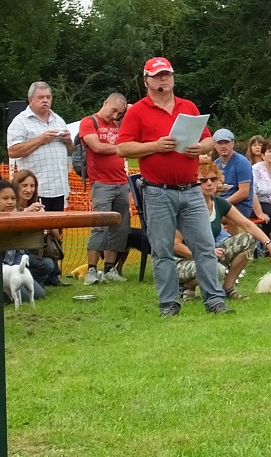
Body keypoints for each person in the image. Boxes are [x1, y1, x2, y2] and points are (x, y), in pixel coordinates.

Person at [116, 56, 232, 317]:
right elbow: (122, 147)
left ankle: (215, 300)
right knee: (162, 250)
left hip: (191, 189)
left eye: (166, 74)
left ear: (172, 77)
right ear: (146, 80)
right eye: (157, 76)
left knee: (203, 246)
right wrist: (154, 146)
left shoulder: (188, 106)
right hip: (157, 191)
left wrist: (201, 148)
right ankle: (169, 304)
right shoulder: (137, 111)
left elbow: (208, 139)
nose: (163, 79)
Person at [176, 161, 271, 300]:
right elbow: (175, 245)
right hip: (181, 261)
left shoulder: (219, 203)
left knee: (248, 239)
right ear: (193, 182)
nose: (209, 183)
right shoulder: (186, 207)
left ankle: (228, 288)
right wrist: (206, 253)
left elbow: (248, 225)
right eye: (203, 180)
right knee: (217, 270)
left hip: (210, 254)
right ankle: (187, 285)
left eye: (213, 179)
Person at [79, 92, 131, 284]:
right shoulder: (89, 122)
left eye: (120, 113)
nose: (115, 115)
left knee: (120, 226)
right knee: (99, 225)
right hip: (101, 182)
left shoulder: (118, 125)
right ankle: (91, 270)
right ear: (105, 103)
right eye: (113, 110)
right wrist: (121, 148)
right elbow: (97, 147)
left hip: (122, 182)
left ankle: (110, 268)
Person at [7, 81, 73, 211]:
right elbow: (13, 151)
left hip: (59, 188)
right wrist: (41, 139)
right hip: (35, 190)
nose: (45, 100)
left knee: (56, 229)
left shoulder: (58, 120)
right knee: (39, 229)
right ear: (31, 100)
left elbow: (70, 152)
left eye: (48, 97)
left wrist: (68, 141)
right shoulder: (20, 121)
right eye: (41, 97)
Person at [9, 168, 64, 288]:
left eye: (32, 186)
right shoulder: (10, 204)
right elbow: (10, 224)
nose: (29, 190)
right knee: (46, 264)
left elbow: (57, 236)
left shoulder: (37, 206)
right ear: (16, 186)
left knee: (48, 262)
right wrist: (27, 213)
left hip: (35, 250)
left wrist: (45, 220)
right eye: (24, 185)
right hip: (14, 253)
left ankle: (35, 283)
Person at [0, 181, 47, 303]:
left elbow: (20, 252)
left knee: (39, 295)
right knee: (24, 297)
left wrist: (16, 270)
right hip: (4, 271)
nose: (10, 202)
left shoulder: (16, 222)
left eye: (13, 198)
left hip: (13, 269)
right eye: (5, 198)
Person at [212, 128, 255, 218]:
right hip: (221, 204)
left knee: (209, 219)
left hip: (240, 207)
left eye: (226, 142)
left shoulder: (242, 162)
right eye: (220, 143)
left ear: (232, 144)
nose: (223, 146)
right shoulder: (216, 163)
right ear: (214, 145)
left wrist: (221, 205)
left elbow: (244, 192)